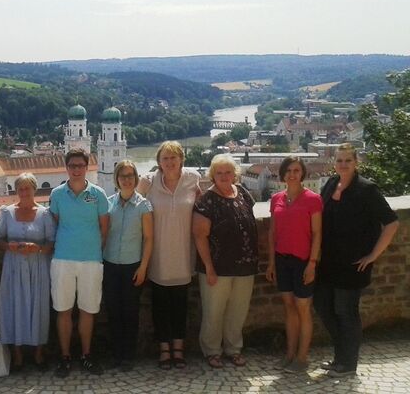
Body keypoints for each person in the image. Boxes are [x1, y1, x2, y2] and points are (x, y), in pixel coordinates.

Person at [314, 143, 399, 377]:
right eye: (339, 160)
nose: (343, 164)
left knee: (346, 312)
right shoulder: (331, 184)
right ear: (334, 162)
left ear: (356, 162)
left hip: (353, 263)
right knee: (322, 305)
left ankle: (348, 363)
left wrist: (373, 255)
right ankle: (340, 356)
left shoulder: (366, 189)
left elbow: (392, 223)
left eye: (347, 160)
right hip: (329, 261)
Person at [137, 140, 201, 370]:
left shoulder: (193, 179)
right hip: (158, 257)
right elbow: (132, 205)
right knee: (160, 306)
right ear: (159, 162)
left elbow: (204, 206)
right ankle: (165, 349)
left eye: (174, 157)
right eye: (165, 158)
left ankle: (178, 348)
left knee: (181, 306)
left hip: (184, 255)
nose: (170, 162)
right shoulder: (149, 181)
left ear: (181, 159)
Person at [192, 154, 258, 369]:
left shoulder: (243, 193)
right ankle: (212, 351)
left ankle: (233, 349)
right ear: (212, 175)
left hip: (245, 265)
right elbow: (200, 236)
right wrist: (209, 267)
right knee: (214, 311)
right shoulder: (206, 200)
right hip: (217, 267)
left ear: (234, 174)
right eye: (219, 172)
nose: (223, 176)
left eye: (228, 172)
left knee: (238, 311)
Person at [49, 148, 109, 377]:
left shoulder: (99, 194)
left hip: (91, 260)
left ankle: (86, 355)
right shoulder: (56, 194)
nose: (76, 170)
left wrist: (93, 249)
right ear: (67, 167)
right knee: (63, 310)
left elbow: (105, 228)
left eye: (80, 166)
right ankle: (65, 357)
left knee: (88, 310)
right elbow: (55, 221)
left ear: (87, 167)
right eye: (72, 166)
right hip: (63, 259)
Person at [266, 156, 322, 373]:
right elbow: (272, 232)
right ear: (283, 174)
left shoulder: (313, 199)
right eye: (288, 170)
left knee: (303, 309)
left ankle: (302, 357)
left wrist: (312, 263)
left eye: (296, 170)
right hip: (282, 260)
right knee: (289, 307)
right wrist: (271, 263)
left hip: (303, 261)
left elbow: (317, 234)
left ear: (302, 173)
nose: (292, 174)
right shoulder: (276, 199)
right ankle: (289, 354)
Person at [0, 173, 56, 371]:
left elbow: (51, 243)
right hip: (13, 267)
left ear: (34, 189)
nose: (23, 192)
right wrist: (8, 246)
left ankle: (39, 352)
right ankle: (17, 354)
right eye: (20, 189)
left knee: (38, 307)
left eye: (27, 188)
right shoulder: (6, 212)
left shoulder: (44, 213)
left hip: (37, 267)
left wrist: (37, 248)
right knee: (13, 306)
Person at [103, 160, 153, 370]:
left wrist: (143, 267)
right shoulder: (108, 203)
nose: (127, 180)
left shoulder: (143, 205)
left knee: (130, 312)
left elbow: (149, 238)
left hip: (132, 266)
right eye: (122, 176)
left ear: (136, 178)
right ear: (117, 179)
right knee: (113, 311)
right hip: (110, 264)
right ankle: (116, 353)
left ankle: (129, 355)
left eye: (130, 175)